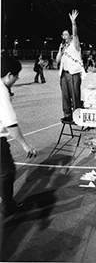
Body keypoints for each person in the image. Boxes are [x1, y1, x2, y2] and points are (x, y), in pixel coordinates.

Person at [0, 51, 37, 218]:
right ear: (9, 75)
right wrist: (25, 144)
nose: (17, 79)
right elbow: (10, 123)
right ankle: (8, 207)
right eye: (16, 76)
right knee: (7, 171)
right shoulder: (2, 92)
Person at [56, 9, 84, 123]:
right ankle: (67, 114)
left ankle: (77, 114)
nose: (65, 36)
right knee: (65, 96)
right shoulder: (63, 47)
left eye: (67, 34)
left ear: (71, 36)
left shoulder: (75, 45)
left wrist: (73, 23)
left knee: (75, 95)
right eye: (63, 34)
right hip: (64, 73)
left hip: (74, 74)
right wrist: (60, 50)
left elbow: (76, 34)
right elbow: (57, 60)